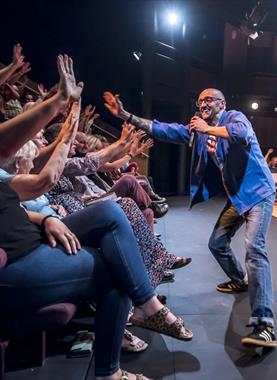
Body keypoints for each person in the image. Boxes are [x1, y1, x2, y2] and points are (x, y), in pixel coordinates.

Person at [0, 53, 192, 380]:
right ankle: (120, 352)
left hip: (40, 236)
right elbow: (42, 178)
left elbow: (20, 193)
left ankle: (145, 306)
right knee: (117, 265)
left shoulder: (6, 176)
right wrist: (62, 109)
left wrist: (44, 220)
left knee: (112, 210)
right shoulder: (31, 161)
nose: (39, 141)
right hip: (18, 263)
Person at [104, 88, 277, 348]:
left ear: (222, 102)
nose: (203, 103)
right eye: (200, 101)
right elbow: (163, 129)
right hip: (237, 198)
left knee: (254, 248)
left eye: (208, 99)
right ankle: (241, 280)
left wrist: (206, 129)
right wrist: (126, 115)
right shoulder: (199, 129)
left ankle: (264, 325)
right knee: (217, 243)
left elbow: (241, 135)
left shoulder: (234, 117)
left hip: (259, 194)